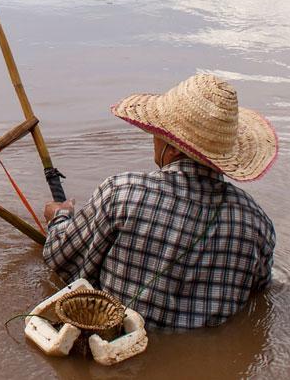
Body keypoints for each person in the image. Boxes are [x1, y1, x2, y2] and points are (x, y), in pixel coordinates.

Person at [42, 72, 277, 330]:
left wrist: (59, 217)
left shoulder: (121, 193)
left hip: (120, 342)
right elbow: (259, 292)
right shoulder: (257, 224)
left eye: (157, 132)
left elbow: (60, 260)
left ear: (173, 146)